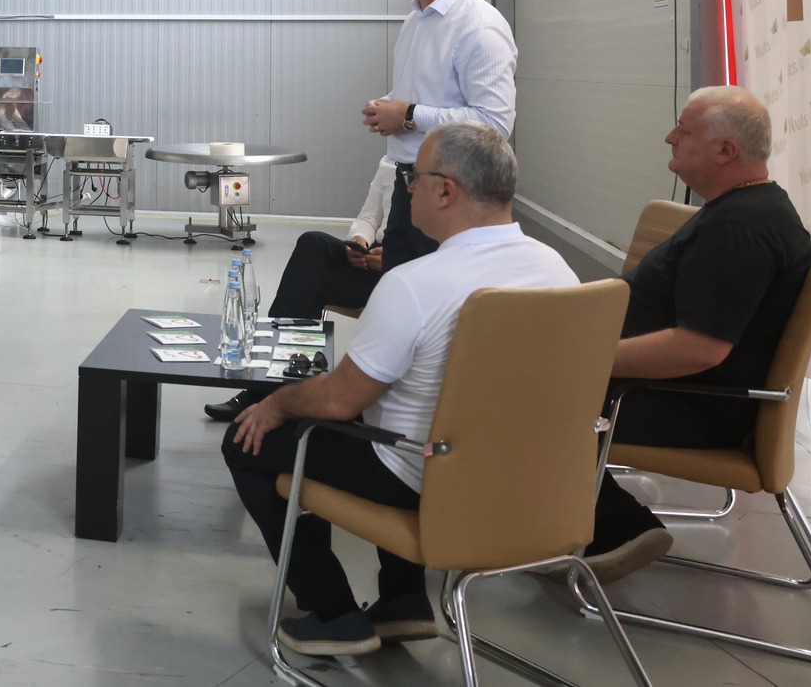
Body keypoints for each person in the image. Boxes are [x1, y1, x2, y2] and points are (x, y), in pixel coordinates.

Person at [222, 122, 574, 658]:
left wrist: (274, 402)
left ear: (446, 191)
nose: (407, 188)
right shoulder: (559, 272)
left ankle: (334, 612)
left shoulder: (414, 284)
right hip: (528, 483)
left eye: (414, 177)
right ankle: (403, 601)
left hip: (427, 476)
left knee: (248, 440)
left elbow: (340, 399)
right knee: (400, 416)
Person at [209, 0, 515, 422]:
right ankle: (278, 391)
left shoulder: (478, 27)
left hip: (451, 202)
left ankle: (407, 422)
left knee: (427, 321)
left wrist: (409, 114)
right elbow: (421, 107)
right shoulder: (416, 22)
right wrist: (391, 110)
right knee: (383, 301)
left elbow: (494, 124)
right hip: (409, 193)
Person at [584, 86, 811, 583]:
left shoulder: (741, 229)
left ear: (725, 150)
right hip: (669, 392)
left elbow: (700, 348)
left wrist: (582, 358)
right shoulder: (744, 209)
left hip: (685, 405)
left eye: (684, 130)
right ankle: (582, 520)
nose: (669, 136)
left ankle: (614, 531)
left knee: (520, 399)